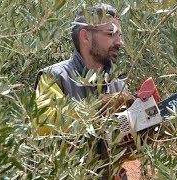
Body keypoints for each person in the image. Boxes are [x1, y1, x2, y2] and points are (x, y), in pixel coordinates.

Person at [32, 3, 129, 180]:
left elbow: (124, 147)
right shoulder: (53, 76)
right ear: (85, 36)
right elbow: (44, 124)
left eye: (120, 35)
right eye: (111, 34)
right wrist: (101, 107)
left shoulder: (118, 84)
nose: (119, 42)